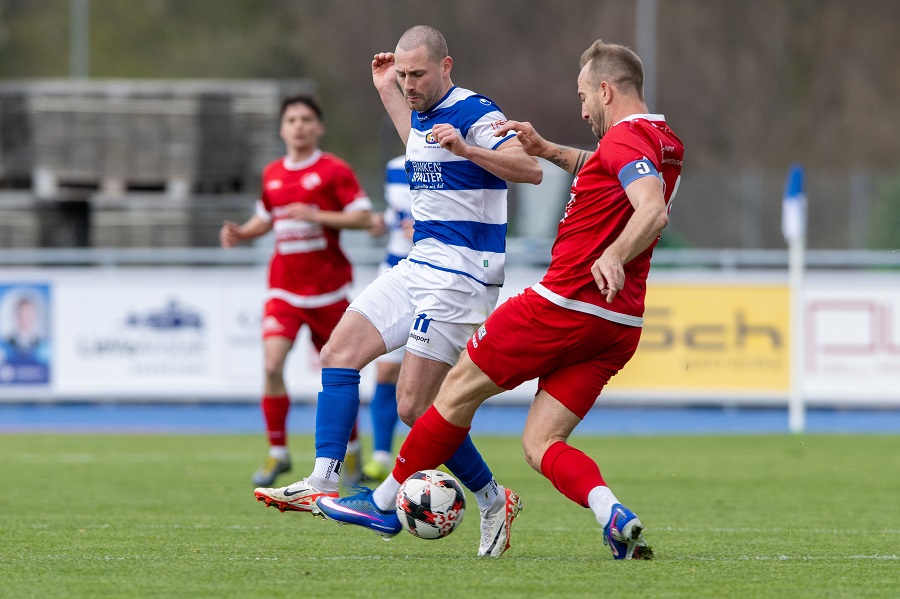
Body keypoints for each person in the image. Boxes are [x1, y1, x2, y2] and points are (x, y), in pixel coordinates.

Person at [316, 39, 684, 561]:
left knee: (450, 392)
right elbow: (604, 172)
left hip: (565, 302)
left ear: (606, 90)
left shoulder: (626, 139)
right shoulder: (662, 140)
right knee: (540, 445)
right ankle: (613, 515)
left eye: (584, 97)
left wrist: (616, 254)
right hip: (618, 324)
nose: (582, 110)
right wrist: (548, 148)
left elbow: (651, 211)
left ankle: (383, 502)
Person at [254, 25, 542, 558]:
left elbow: (531, 170)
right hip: (418, 264)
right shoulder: (420, 112)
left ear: (446, 67)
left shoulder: (475, 113)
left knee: (416, 407)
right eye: (404, 75)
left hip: (463, 276)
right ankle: (322, 479)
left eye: (418, 75)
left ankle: (494, 500)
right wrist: (385, 86)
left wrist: (469, 149)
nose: (410, 84)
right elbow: (413, 133)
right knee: (337, 351)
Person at [220, 95, 372, 487]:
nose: (299, 126)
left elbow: (362, 217)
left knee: (339, 375)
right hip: (285, 290)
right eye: (292, 119)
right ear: (282, 128)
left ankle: (351, 452)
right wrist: (241, 232)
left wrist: (318, 214)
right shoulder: (272, 174)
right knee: (271, 365)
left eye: (306, 119)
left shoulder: (334, 170)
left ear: (318, 127)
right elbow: (264, 218)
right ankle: (278, 453)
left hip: (329, 291)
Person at [362, 155, 414, 483]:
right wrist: (383, 222)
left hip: (442, 276)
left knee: (433, 376)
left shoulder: (456, 153)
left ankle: (428, 454)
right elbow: (398, 213)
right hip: (395, 273)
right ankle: (381, 455)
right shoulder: (395, 165)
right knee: (386, 368)